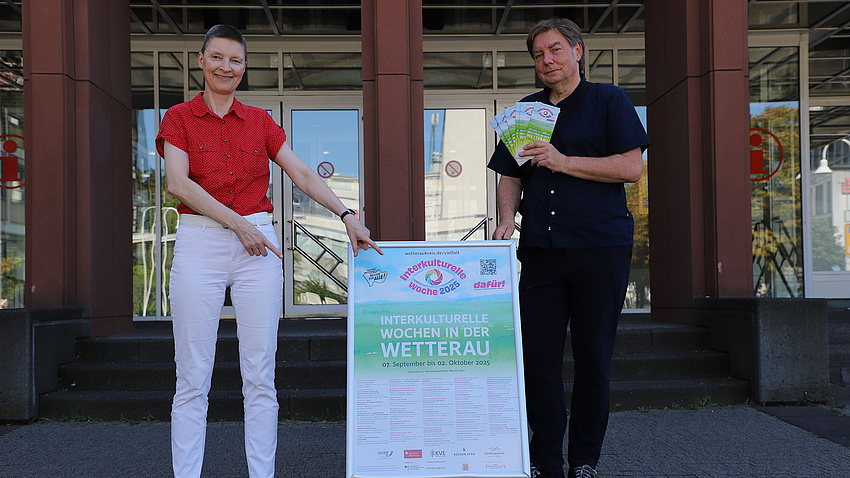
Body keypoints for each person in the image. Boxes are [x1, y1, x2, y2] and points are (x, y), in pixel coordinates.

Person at [155, 24, 382, 478]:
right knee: (191, 379)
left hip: (257, 248)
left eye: (235, 60)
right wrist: (237, 223)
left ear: (244, 67)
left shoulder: (260, 122)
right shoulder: (178, 117)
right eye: (217, 57)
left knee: (260, 376)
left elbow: (302, 173)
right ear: (201, 61)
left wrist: (346, 215)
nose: (226, 67)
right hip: (203, 241)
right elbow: (178, 183)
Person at [488, 18, 650, 478]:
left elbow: (630, 168)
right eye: (539, 54)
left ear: (578, 51)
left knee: (593, 357)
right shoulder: (525, 110)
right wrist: (505, 220)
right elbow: (511, 174)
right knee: (538, 360)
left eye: (555, 49)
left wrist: (562, 161)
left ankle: (584, 460)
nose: (547, 60)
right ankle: (545, 462)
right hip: (540, 250)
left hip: (600, 248)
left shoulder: (609, 100)